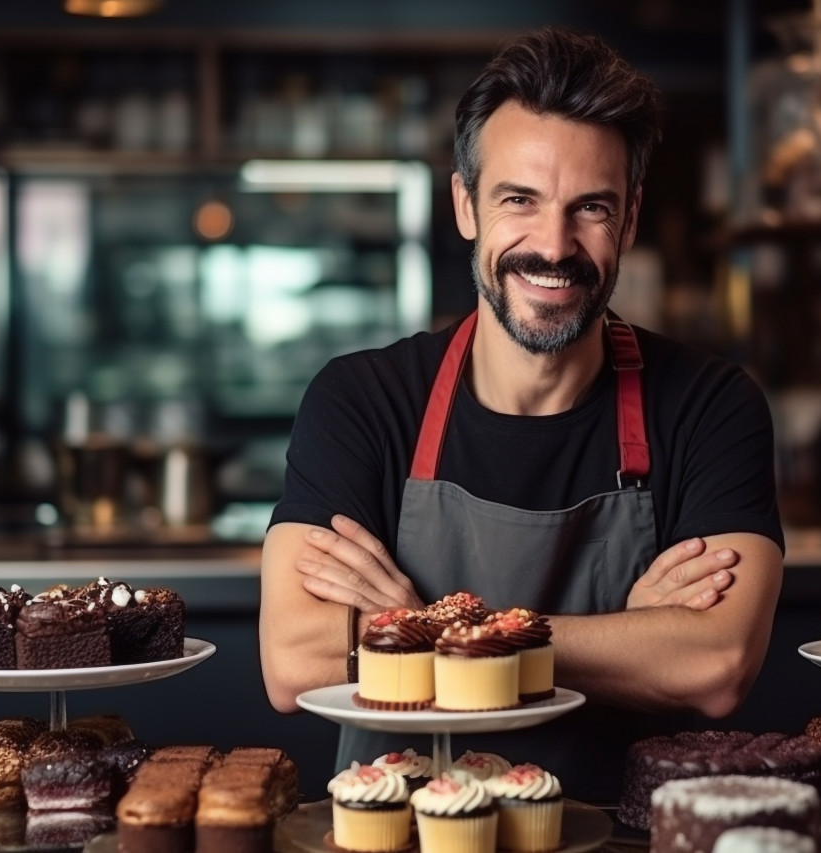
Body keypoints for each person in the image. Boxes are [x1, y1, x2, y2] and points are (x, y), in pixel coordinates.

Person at [260, 27, 785, 801]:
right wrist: (621, 634)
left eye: (591, 208)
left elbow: (715, 664)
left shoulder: (709, 406)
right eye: (519, 200)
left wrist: (418, 626)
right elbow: (294, 657)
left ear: (630, 220)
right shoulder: (361, 402)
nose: (553, 244)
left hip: (615, 837)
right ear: (465, 204)